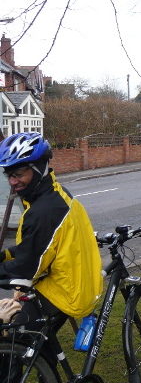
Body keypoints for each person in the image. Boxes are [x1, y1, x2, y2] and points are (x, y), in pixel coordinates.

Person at [0, 132, 102, 360]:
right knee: (36, 351)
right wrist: (4, 255)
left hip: (65, 292)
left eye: (18, 173)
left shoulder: (44, 211)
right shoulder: (54, 193)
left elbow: (26, 268)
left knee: (15, 352)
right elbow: (39, 246)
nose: (12, 181)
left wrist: (6, 265)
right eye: (9, 174)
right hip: (72, 280)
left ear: (39, 168)